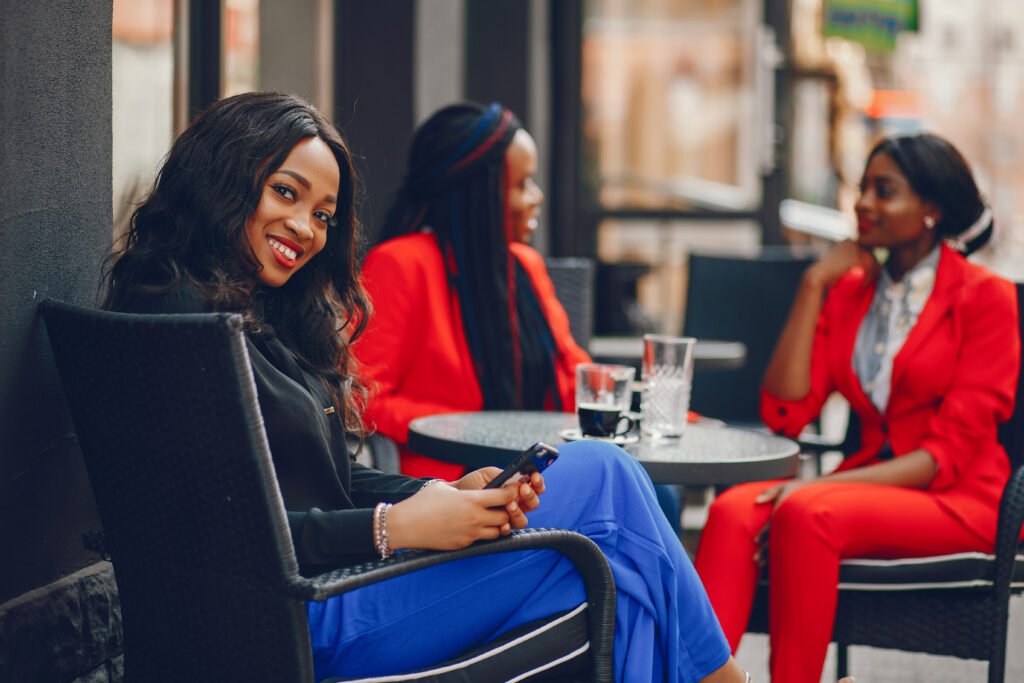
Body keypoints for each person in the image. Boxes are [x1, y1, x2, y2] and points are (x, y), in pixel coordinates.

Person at [103, 91, 746, 682]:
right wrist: (394, 526)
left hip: (328, 593)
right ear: (225, 177)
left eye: (323, 214)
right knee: (607, 479)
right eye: (285, 192)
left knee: (619, 571)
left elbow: (324, 479)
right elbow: (219, 533)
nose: (305, 226)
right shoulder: (184, 321)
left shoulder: (253, 315)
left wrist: (433, 491)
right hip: (297, 619)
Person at [694, 133, 1020, 682]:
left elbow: (949, 456)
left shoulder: (987, 298)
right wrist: (814, 284)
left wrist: (820, 487)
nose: (863, 203)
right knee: (731, 513)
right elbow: (785, 413)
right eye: (863, 188)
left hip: (958, 498)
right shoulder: (850, 291)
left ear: (931, 210)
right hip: (866, 482)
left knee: (806, 510)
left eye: (884, 191)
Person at [356, 102, 592, 480]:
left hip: (539, 470)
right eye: (521, 184)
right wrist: (463, 427)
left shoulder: (526, 266)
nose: (537, 196)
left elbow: (573, 377)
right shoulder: (399, 264)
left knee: (643, 482)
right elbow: (362, 398)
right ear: (478, 192)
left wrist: (670, 413)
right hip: (453, 485)